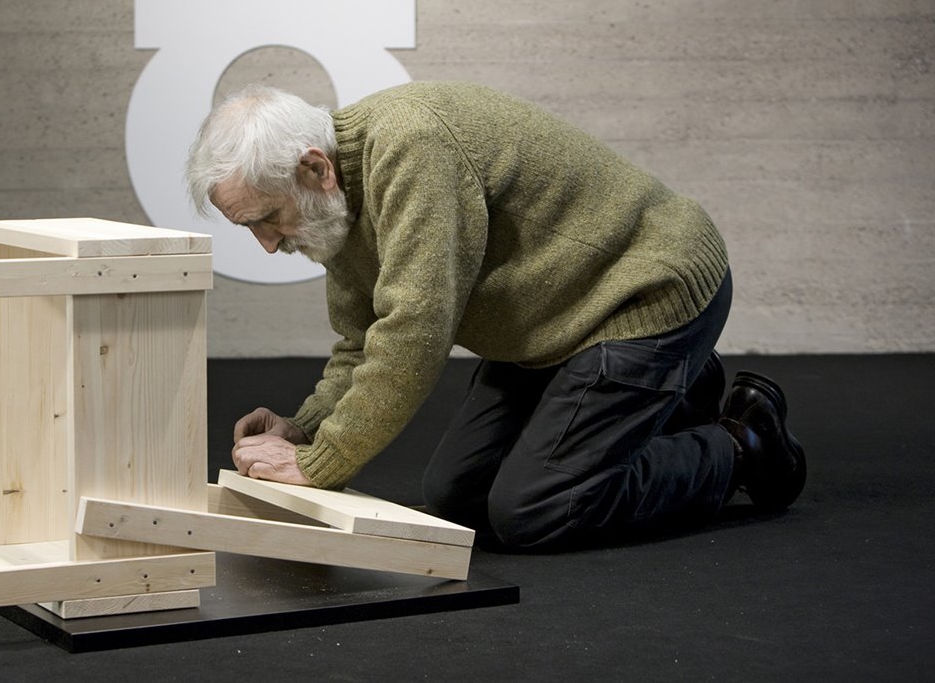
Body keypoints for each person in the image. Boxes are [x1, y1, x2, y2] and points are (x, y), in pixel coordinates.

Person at [185, 81, 806, 550]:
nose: (268, 243)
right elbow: (360, 338)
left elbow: (412, 334)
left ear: (315, 168)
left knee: (537, 509)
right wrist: (307, 428)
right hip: (551, 319)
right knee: (456, 496)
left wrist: (321, 464)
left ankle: (743, 444)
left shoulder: (409, 149)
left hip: (643, 293)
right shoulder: (333, 202)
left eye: (267, 219)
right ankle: (681, 390)